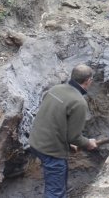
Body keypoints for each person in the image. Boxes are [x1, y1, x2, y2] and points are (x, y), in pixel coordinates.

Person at [28, 64, 98, 198]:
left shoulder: (56, 89)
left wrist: (68, 144)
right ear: (88, 81)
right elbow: (74, 137)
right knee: (55, 193)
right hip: (51, 151)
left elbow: (53, 120)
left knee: (57, 185)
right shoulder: (78, 102)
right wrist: (88, 143)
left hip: (35, 141)